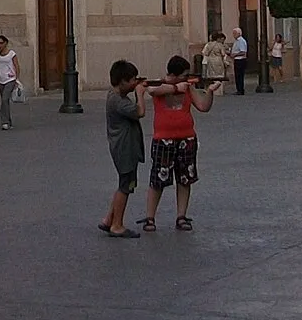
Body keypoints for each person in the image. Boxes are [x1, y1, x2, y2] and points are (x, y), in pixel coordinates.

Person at [141, 55, 213, 232]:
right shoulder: (160, 84)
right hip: (163, 138)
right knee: (158, 179)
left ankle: (181, 215)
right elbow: (152, 90)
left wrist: (209, 92)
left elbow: (203, 106)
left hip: (186, 137)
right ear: (175, 74)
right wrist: (175, 87)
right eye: (184, 75)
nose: (187, 78)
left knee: (185, 179)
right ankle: (150, 217)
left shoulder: (188, 87)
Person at [98, 60, 147, 239]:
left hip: (123, 146)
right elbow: (140, 112)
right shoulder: (119, 102)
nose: (135, 83)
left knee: (123, 184)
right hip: (125, 148)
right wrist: (141, 94)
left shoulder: (114, 95)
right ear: (122, 81)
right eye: (133, 80)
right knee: (126, 186)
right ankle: (117, 225)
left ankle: (109, 219)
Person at [230, 27, 249, 96]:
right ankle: (239, 89)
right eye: (233, 33)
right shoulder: (236, 41)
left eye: (235, 33)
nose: (233, 35)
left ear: (239, 33)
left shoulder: (241, 41)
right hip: (237, 59)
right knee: (237, 76)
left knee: (239, 75)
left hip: (240, 60)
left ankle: (240, 90)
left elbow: (243, 52)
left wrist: (235, 54)